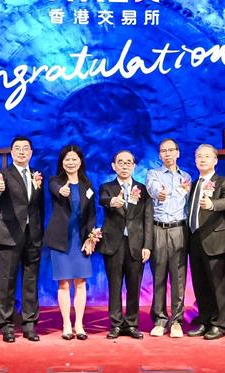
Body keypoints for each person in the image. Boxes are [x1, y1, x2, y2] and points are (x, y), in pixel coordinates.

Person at [44, 144, 99, 341]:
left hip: (80, 240)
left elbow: (91, 215)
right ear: (62, 162)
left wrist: (91, 238)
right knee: (64, 284)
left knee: (81, 283)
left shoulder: (87, 186)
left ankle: (79, 325)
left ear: (80, 162)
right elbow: (56, 190)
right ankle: (66, 324)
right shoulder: (55, 181)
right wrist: (63, 191)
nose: (70, 162)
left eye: (74, 159)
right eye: (67, 159)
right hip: (61, 239)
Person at [0, 135, 44, 342]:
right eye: (17, 148)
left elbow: (39, 206)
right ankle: (6, 325)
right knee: (7, 281)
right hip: (9, 234)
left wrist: (39, 231)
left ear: (31, 152)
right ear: (11, 152)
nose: (22, 152)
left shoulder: (37, 174)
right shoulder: (3, 174)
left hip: (33, 234)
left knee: (31, 280)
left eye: (25, 148)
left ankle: (29, 324)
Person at [98, 149, 153, 339]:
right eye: (120, 162)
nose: (124, 166)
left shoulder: (142, 189)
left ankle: (131, 324)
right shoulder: (107, 187)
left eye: (128, 162)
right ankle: (115, 324)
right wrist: (112, 201)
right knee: (114, 285)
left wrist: (147, 245)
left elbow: (148, 218)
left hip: (136, 244)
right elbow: (103, 199)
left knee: (134, 286)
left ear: (134, 166)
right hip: (113, 244)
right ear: (114, 166)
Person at [185, 143, 225, 340]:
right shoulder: (193, 184)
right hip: (194, 239)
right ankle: (205, 322)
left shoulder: (224, 182)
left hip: (215, 240)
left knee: (217, 286)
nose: (202, 159)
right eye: (199, 156)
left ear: (215, 160)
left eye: (206, 156)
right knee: (200, 285)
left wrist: (212, 204)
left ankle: (219, 324)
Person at [145, 138, 191, 337]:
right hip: (159, 229)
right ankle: (160, 319)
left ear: (178, 153)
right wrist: (160, 194)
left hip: (179, 229)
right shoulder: (153, 174)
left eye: (171, 150)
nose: (167, 154)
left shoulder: (186, 177)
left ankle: (177, 321)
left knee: (179, 277)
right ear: (159, 155)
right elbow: (153, 188)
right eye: (163, 151)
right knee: (159, 276)